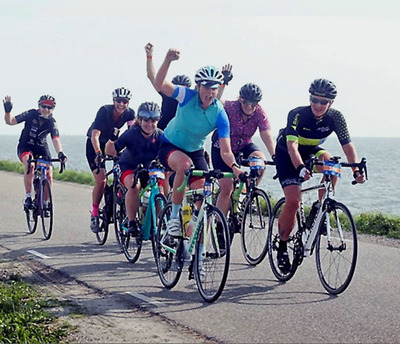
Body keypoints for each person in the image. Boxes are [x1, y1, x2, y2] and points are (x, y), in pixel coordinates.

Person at [274, 78, 365, 273]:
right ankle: (282, 247)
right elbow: (292, 146)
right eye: (315, 100)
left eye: (323, 102)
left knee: (332, 164)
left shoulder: (336, 118)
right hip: (287, 154)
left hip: (311, 150)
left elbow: (347, 146)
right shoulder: (297, 114)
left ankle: (319, 207)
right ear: (310, 98)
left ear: (331, 103)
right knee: (293, 201)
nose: (318, 105)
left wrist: (356, 170)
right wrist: (299, 168)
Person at [154, 47, 244, 237]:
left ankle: (194, 238)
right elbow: (160, 84)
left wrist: (235, 167)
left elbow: (226, 151)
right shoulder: (187, 96)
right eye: (206, 87)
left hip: (195, 151)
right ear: (198, 87)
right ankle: (173, 219)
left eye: (214, 88)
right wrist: (168, 60)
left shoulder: (220, 113)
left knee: (204, 194)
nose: (210, 92)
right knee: (184, 165)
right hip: (170, 145)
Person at [211, 82, 276, 217]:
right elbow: (216, 100)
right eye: (247, 103)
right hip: (222, 147)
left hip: (244, 145)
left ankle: (247, 193)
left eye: (254, 104)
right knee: (227, 187)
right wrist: (223, 84)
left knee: (260, 161)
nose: (250, 107)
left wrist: (275, 156)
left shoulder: (259, 112)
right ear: (241, 99)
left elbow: (267, 135)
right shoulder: (231, 107)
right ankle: (219, 224)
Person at [105, 102, 163, 235]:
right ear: (139, 120)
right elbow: (111, 151)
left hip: (148, 169)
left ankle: (160, 221)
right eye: (146, 120)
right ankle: (132, 222)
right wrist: (112, 139)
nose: (150, 124)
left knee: (160, 188)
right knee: (134, 186)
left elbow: (166, 154)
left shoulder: (160, 135)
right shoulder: (131, 133)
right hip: (128, 166)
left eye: (153, 120)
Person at [3, 95, 67, 210]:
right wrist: (7, 112)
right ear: (39, 106)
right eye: (44, 106)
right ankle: (28, 197)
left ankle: (45, 202)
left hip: (41, 148)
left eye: (49, 108)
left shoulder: (51, 122)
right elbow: (10, 122)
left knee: (49, 174)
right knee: (30, 165)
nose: (46, 110)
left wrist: (60, 153)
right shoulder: (31, 114)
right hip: (25, 146)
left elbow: (55, 138)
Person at [86, 87, 135, 233]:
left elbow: (132, 132)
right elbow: (95, 135)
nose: (121, 104)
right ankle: (95, 212)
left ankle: (118, 196)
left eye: (125, 101)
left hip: (111, 143)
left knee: (122, 172)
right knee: (101, 180)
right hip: (94, 144)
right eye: (119, 101)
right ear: (113, 101)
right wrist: (98, 153)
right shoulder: (105, 111)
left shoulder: (130, 113)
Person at [145, 42, 192, 130]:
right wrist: (149, 56)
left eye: (184, 89)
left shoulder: (192, 100)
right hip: (162, 132)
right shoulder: (167, 94)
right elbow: (152, 75)